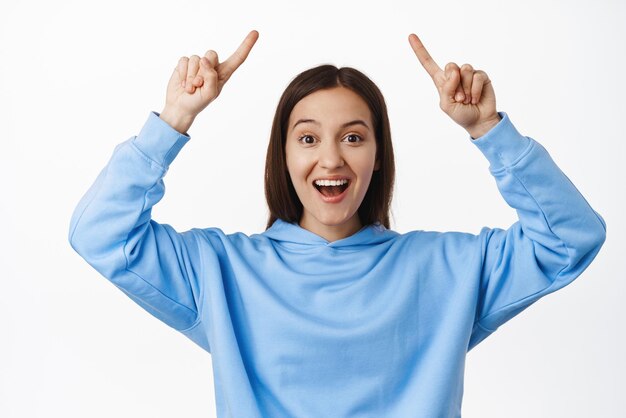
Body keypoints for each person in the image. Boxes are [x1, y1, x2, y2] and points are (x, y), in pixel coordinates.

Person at [68, 30, 606, 417]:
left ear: (379, 155)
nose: (330, 160)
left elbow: (571, 237)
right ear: (282, 156)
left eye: (353, 137)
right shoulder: (220, 269)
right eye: (307, 138)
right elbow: (100, 234)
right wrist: (173, 120)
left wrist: (489, 130)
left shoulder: (448, 269)